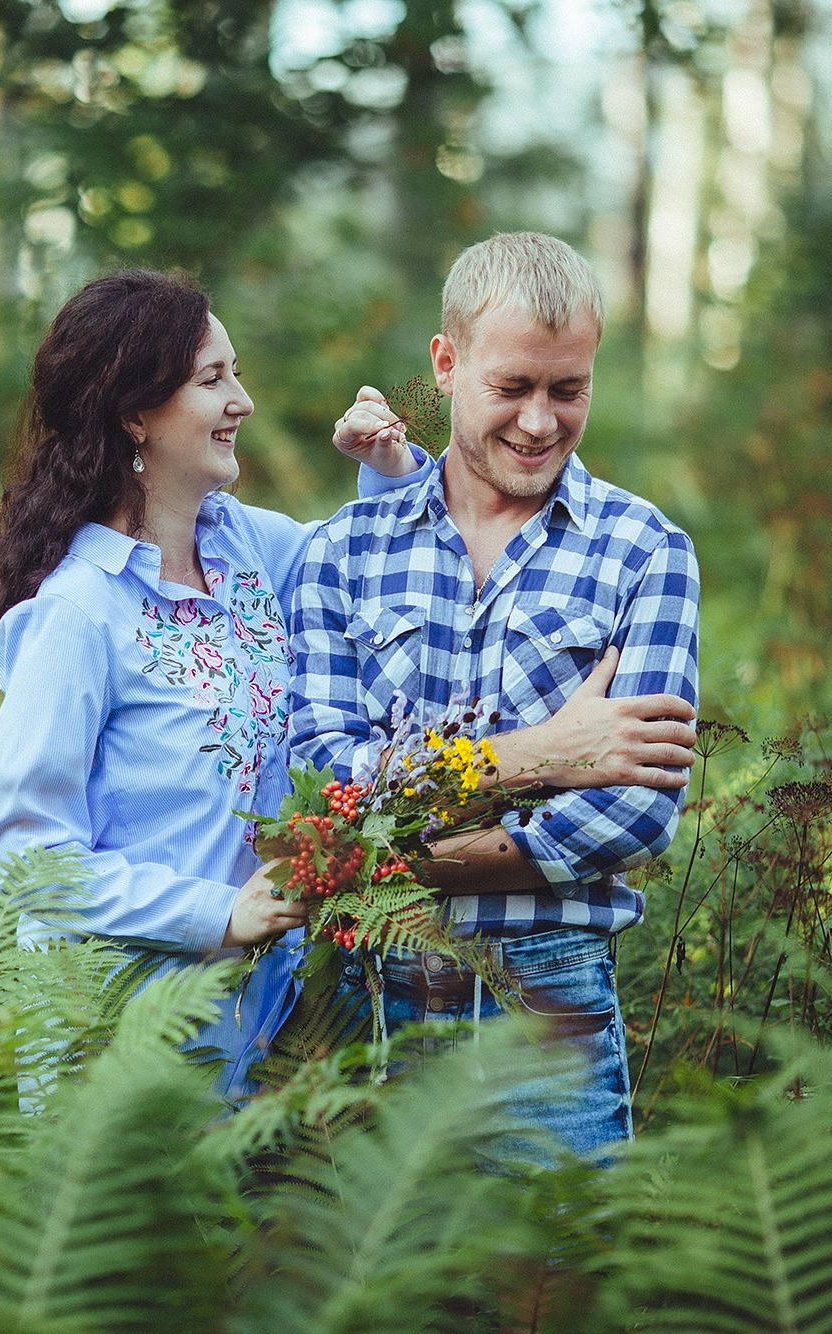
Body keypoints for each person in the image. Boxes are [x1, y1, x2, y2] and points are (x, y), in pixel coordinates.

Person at [0, 268, 428, 1105]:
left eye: (236, 373)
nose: (242, 401)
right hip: (117, 1039)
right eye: (212, 380)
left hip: (266, 1020)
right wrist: (216, 916)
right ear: (134, 414)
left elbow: (369, 572)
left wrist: (390, 468)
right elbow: (29, 859)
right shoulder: (78, 615)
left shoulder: (246, 548)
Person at [289, 231, 701, 1159]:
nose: (540, 422)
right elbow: (319, 779)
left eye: (568, 389)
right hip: (360, 990)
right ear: (445, 363)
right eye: (510, 388)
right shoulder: (342, 552)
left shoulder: (644, 552)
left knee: (547, 1291)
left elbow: (635, 810)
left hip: (545, 998)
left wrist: (404, 850)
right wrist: (546, 754)